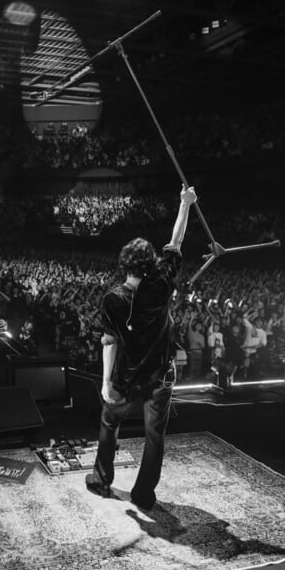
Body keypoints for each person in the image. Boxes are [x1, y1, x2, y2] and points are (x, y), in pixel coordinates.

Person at [86, 184, 197, 510]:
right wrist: (185, 204)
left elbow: (109, 343)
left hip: (125, 377)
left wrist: (105, 382)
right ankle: (144, 494)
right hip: (160, 376)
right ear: (150, 264)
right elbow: (176, 242)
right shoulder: (162, 283)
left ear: (125, 265)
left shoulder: (112, 299)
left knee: (109, 424)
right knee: (154, 435)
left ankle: (101, 479)